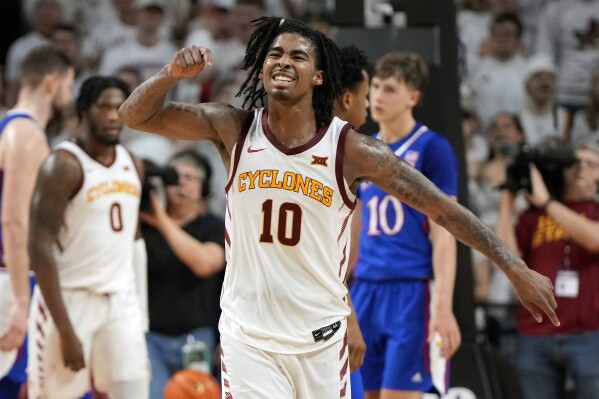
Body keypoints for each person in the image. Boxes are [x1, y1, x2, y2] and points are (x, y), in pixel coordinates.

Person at [119, 17, 559, 398]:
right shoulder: (231, 127)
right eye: (274, 53)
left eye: (297, 55)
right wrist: (170, 73)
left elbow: (443, 209)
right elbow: (134, 115)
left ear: (319, 76)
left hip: (321, 341)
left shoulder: (353, 151)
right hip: (250, 338)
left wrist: (514, 267)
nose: (283, 61)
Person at [28, 76, 149, 399]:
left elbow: (134, 240)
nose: (113, 115)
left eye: (119, 107)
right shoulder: (62, 165)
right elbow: (38, 248)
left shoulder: (132, 164)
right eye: (104, 107)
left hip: (121, 302)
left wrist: (142, 315)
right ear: (84, 110)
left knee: (134, 392)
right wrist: (66, 330)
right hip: (69, 300)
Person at [348, 51, 460, 399]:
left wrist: (443, 305)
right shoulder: (363, 149)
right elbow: (353, 229)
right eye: (376, 86)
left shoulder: (432, 147)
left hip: (410, 290)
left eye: (390, 89)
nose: (378, 96)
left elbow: (446, 233)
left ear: (413, 97)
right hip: (365, 287)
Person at [495, 138, 599, 399]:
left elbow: (594, 240)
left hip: (587, 335)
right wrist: (507, 202)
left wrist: (548, 203)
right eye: (575, 162)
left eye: (591, 164)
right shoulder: (533, 216)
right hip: (534, 334)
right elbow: (506, 257)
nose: (581, 167)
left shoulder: (593, 210)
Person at [0, 45, 73, 395]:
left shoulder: (11, 128)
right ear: (52, 82)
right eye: (69, 86)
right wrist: (19, 300)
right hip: (11, 278)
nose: (69, 95)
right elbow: (13, 220)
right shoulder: (26, 134)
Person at [141, 150, 226, 399]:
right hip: (152, 339)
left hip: (198, 338)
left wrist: (161, 221)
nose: (182, 183)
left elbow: (205, 263)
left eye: (191, 177)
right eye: (174, 176)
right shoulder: (144, 225)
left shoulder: (214, 226)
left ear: (204, 187)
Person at [332, 44, 370, 399]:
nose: (368, 105)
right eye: (366, 95)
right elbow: (328, 259)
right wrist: (350, 317)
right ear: (346, 99)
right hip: (326, 312)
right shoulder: (345, 154)